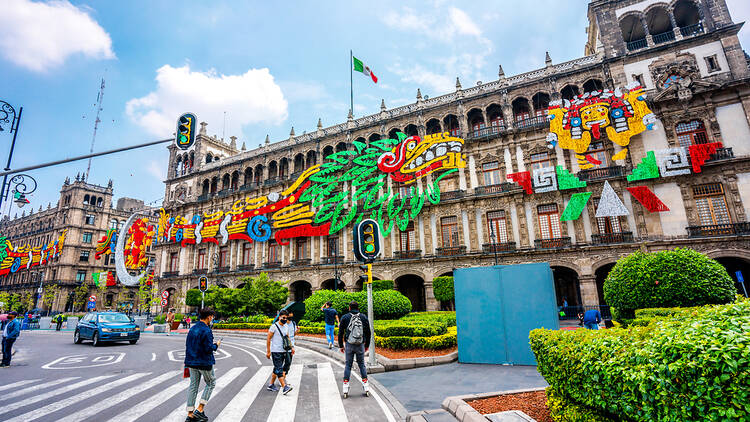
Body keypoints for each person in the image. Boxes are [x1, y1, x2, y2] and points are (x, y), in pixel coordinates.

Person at [184, 308, 221, 422]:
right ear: (209, 317)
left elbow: (188, 345)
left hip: (191, 361)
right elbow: (208, 349)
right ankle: (200, 409)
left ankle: (190, 413)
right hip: (204, 362)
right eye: (212, 317)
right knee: (211, 383)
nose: (212, 319)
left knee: (193, 386)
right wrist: (216, 345)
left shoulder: (193, 328)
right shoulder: (206, 330)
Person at [338, 301, 371, 397]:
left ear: (349, 308)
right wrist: (366, 345)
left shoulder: (345, 317)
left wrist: (341, 345)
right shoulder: (363, 317)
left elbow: (340, 333)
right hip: (360, 344)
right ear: (358, 308)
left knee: (348, 365)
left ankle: (345, 387)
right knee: (361, 365)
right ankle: (366, 386)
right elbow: (368, 332)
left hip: (349, 344)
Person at [266, 309, 293, 395]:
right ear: (279, 317)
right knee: (279, 368)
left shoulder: (286, 326)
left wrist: (291, 347)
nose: (285, 319)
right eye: (283, 318)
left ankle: (270, 385)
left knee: (277, 368)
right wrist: (268, 351)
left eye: (286, 318)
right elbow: (268, 339)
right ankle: (284, 387)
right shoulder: (274, 327)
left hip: (284, 350)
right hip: (276, 351)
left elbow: (288, 337)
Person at [283, 311, 299, 381]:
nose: (290, 318)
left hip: (291, 345)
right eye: (289, 316)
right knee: (286, 363)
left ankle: (283, 378)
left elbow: (294, 334)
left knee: (288, 363)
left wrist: (297, 330)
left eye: (291, 317)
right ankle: (282, 380)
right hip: (284, 345)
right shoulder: (283, 324)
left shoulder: (293, 323)